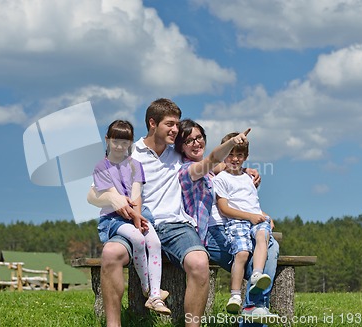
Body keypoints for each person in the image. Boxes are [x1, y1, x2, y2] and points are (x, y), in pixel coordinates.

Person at [87, 98, 210, 327]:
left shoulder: (179, 154)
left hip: (176, 226)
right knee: (111, 254)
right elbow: (92, 194)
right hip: (137, 224)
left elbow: (208, 163)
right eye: (170, 124)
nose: (176, 130)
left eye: (177, 124)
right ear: (153, 123)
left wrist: (243, 170)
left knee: (200, 262)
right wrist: (113, 199)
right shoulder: (129, 152)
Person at [174, 119, 279, 326]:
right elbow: (212, 161)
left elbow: (226, 171)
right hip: (212, 233)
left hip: (236, 225)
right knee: (256, 263)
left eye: (199, 138)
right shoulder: (188, 171)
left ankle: (252, 309)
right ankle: (253, 310)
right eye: (188, 141)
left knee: (270, 246)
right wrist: (233, 144)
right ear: (180, 147)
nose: (196, 143)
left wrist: (245, 170)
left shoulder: (218, 171)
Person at [92, 120, 170, 315]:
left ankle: (155, 296)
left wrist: (137, 215)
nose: (119, 146)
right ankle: (147, 289)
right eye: (115, 141)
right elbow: (113, 196)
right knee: (137, 238)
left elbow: (137, 194)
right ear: (107, 140)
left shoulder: (135, 165)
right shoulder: (101, 167)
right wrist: (132, 216)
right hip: (113, 218)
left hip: (137, 212)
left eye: (125, 142)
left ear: (130, 143)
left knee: (154, 242)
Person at [211, 132, 274, 316]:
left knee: (263, 237)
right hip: (237, 221)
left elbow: (251, 203)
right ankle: (235, 295)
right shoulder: (221, 178)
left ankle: (257, 275)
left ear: (245, 158)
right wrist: (250, 217)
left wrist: (263, 216)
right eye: (230, 154)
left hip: (254, 218)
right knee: (242, 252)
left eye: (239, 155)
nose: (235, 159)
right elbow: (224, 209)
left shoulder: (248, 177)